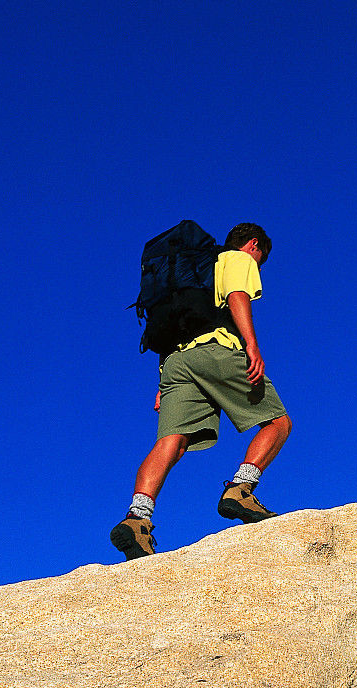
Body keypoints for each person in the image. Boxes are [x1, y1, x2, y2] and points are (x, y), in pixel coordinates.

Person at [110, 223, 292, 560]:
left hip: (176, 362)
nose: (258, 265)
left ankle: (138, 518)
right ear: (253, 245)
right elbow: (238, 295)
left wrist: (163, 381)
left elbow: (173, 325)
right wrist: (251, 344)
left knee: (171, 442)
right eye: (260, 258)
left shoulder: (191, 275)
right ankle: (241, 488)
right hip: (217, 350)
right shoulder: (236, 260)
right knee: (278, 423)